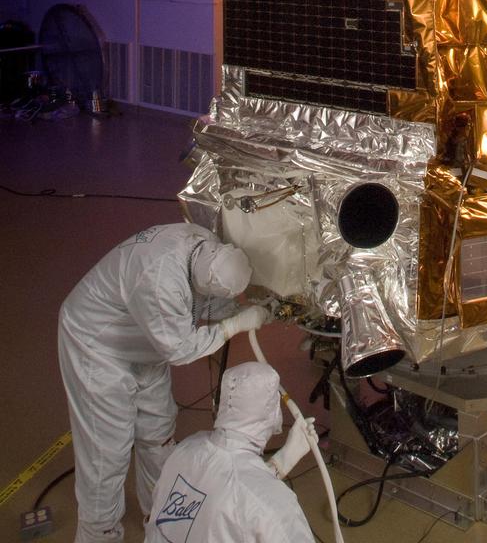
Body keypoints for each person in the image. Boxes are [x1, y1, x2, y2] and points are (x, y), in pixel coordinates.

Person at [58, 222, 272, 542]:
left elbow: (206, 300)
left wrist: (248, 307)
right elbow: (180, 349)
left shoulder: (204, 244)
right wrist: (236, 324)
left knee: (158, 434)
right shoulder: (158, 277)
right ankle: (99, 534)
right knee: (106, 453)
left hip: (143, 339)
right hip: (97, 345)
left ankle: (158, 517)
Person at [145, 361, 315, 543]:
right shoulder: (274, 505)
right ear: (273, 414)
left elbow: (226, 485)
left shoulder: (185, 449)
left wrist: (282, 461)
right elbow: (249, 496)